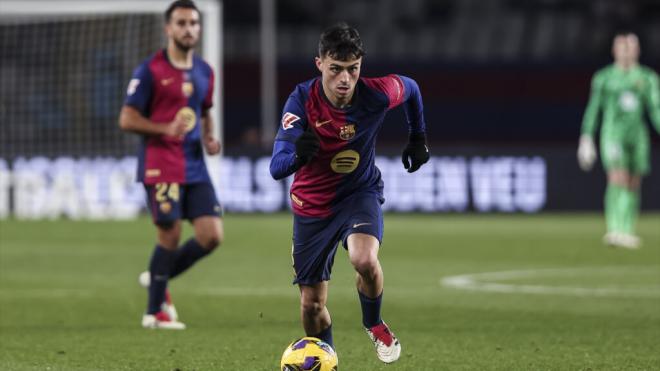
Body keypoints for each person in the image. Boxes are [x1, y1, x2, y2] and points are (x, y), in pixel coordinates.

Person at [269, 23, 429, 364]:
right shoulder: (301, 101)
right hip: (312, 206)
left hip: (359, 193)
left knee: (364, 259)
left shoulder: (375, 94)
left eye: (352, 69)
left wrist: (418, 137)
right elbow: (276, 166)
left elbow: (412, 88)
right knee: (312, 305)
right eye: (335, 69)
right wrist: (298, 154)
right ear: (319, 64)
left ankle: (374, 322)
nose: (344, 79)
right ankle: (327, 357)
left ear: (360, 66)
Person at [119, 0, 223, 329]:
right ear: (168, 28)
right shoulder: (149, 70)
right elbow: (127, 117)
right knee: (171, 233)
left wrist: (209, 137)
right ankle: (154, 312)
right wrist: (165, 128)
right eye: (181, 23)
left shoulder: (205, 71)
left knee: (211, 235)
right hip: (161, 161)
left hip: (194, 162)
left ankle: (158, 279)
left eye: (193, 23)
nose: (188, 28)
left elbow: (205, 110)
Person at [578, 32, 660, 249]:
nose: (627, 51)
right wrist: (586, 136)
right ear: (615, 50)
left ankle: (627, 229)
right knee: (617, 178)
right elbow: (594, 109)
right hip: (613, 135)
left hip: (638, 137)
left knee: (634, 183)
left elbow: (655, 109)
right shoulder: (604, 78)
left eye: (631, 47)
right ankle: (614, 229)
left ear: (637, 50)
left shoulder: (647, 77)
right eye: (622, 47)